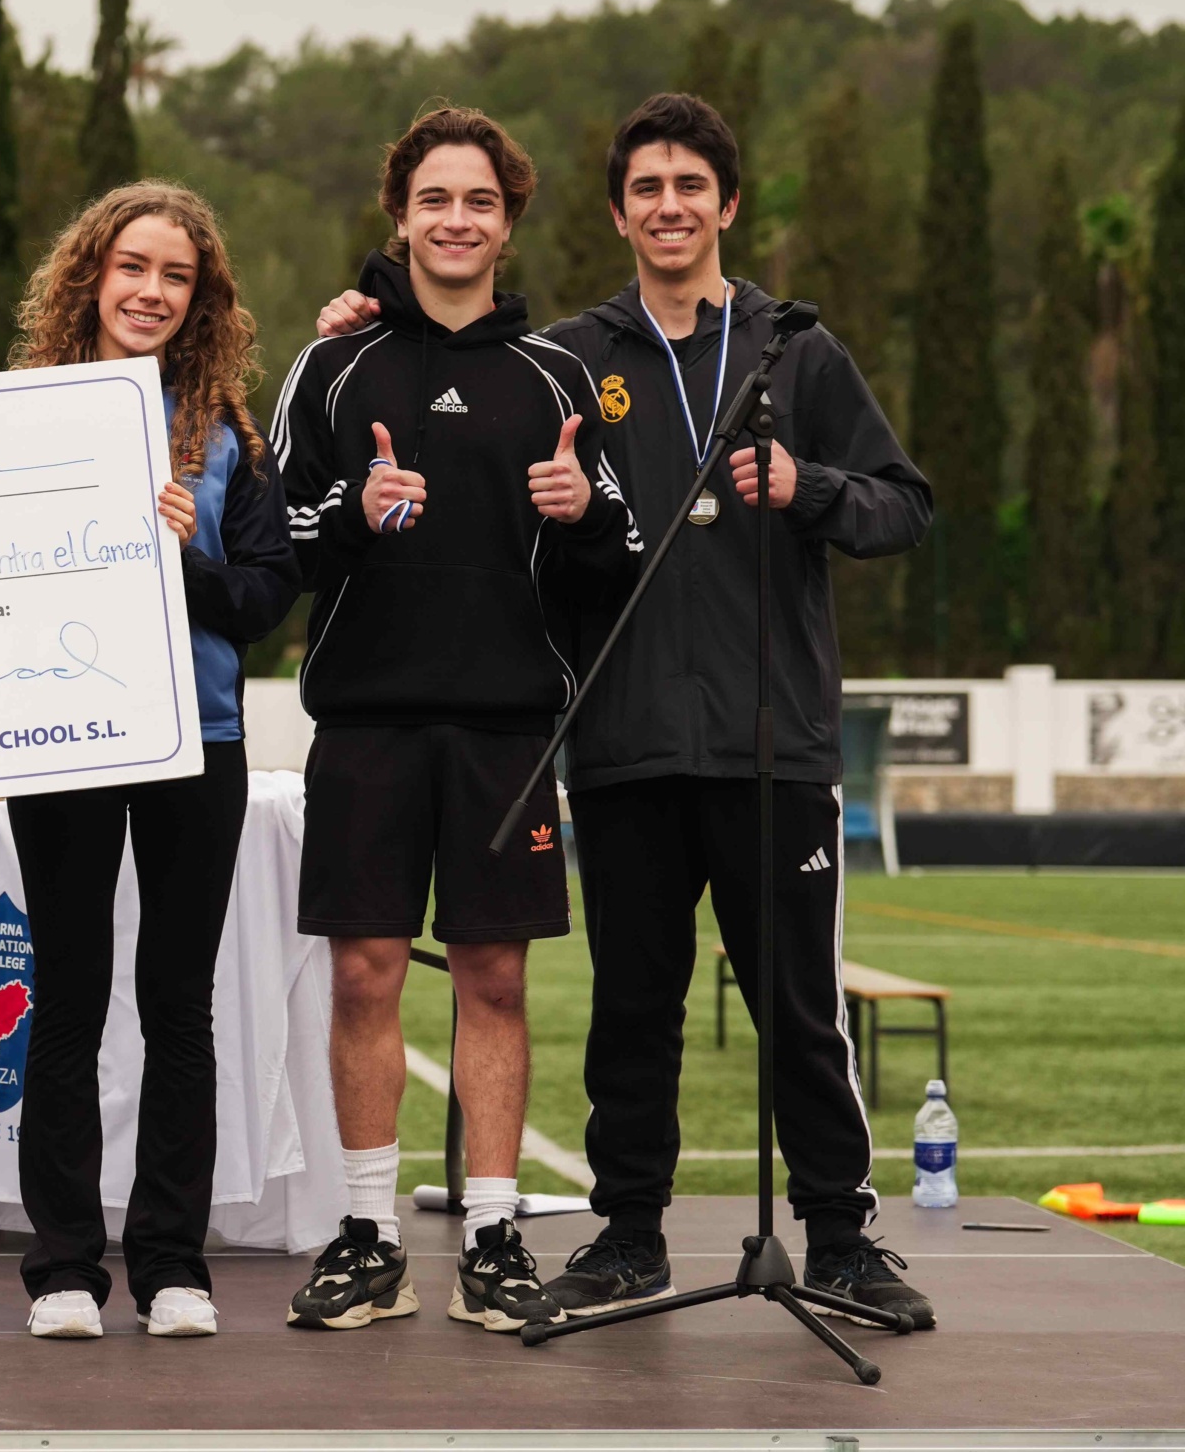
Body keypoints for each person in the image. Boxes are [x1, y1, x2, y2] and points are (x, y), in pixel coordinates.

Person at [309, 94, 936, 1332]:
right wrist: (359, 309)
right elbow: (451, 362)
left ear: (727, 204)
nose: (667, 205)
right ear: (614, 211)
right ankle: (632, 1230)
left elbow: (902, 503)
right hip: (620, 737)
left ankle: (844, 1238)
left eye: (689, 185)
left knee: (796, 1004)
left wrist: (807, 485)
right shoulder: (568, 358)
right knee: (631, 1006)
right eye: (644, 187)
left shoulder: (792, 349)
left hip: (772, 738)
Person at [271, 107, 637, 1339]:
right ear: (401, 213)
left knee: (493, 975)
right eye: (435, 198)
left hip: (507, 733)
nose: (456, 219)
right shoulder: (331, 366)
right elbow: (272, 548)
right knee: (364, 972)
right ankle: (368, 1234)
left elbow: (620, 561)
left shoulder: (560, 375)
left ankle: (492, 1236)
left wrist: (582, 507)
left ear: (507, 218)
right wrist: (351, 509)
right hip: (367, 722)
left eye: (478, 200)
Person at [0, 183, 300, 1340]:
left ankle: (173, 1260)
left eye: (174, 275)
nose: (148, 290)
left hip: (201, 744)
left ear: (201, 299)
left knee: (177, 1005)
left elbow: (261, 602)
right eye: (130, 266)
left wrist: (184, 549)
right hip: (62, 741)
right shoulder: (20, 412)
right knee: (68, 1002)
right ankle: (61, 1267)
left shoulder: (231, 434)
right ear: (90, 274)